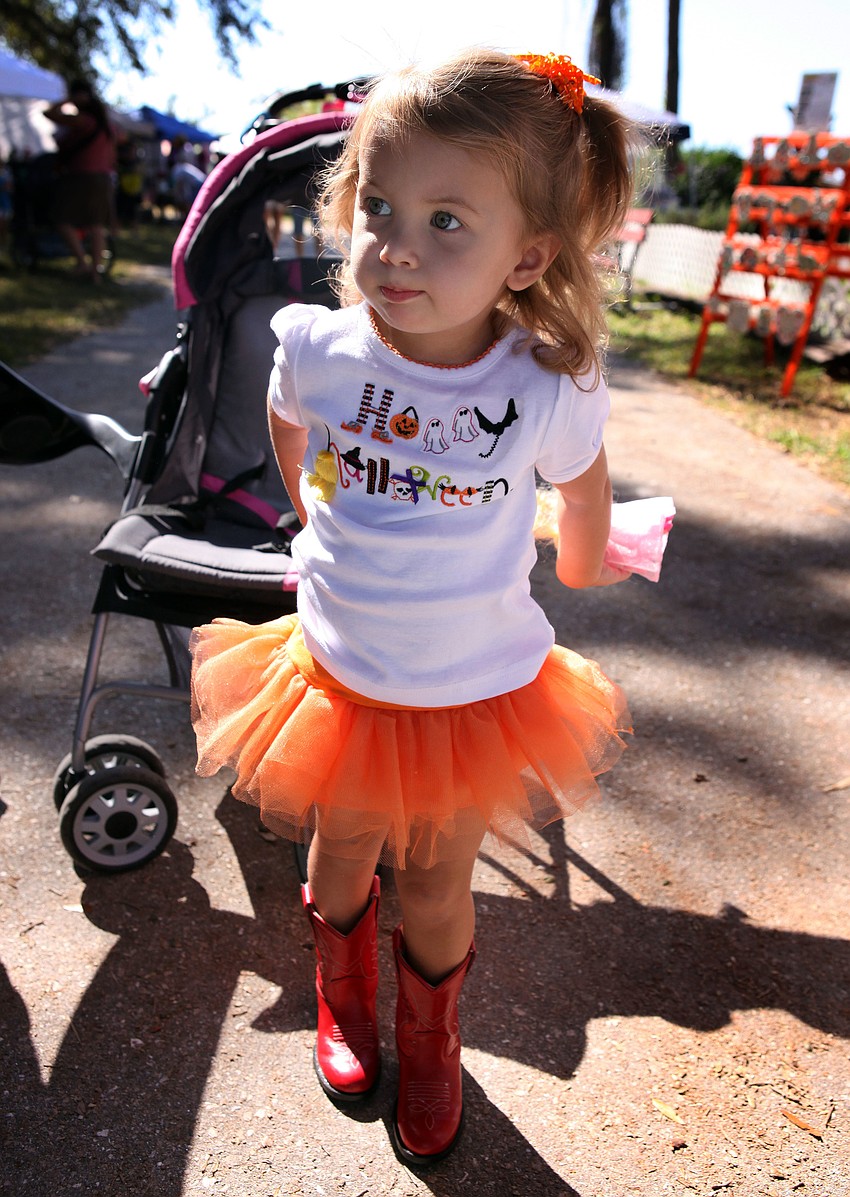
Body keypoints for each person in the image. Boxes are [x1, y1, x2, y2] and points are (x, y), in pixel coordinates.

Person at [191, 49, 640, 1167]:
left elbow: (584, 488)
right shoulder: (323, 348)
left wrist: (583, 565)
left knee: (435, 883)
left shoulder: (540, 383)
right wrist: (313, 511)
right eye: (379, 207)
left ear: (527, 255)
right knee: (340, 850)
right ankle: (342, 993)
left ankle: (430, 1040)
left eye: (449, 221)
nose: (396, 247)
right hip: (339, 674)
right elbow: (289, 420)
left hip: (466, 692)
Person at [43, 80, 116, 280]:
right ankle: (96, 272)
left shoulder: (84, 121)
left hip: (82, 177)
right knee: (96, 225)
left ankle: (83, 263)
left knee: (61, 219)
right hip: (103, 178)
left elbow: (48, 114)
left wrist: (67, 100)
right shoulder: (107, 127)